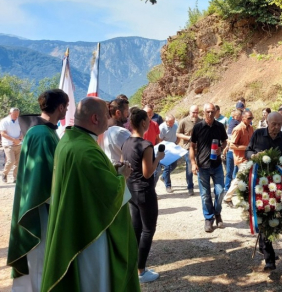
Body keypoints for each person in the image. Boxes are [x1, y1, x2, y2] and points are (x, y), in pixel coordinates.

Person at [41, 97, 140, 291]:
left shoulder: (70, 139)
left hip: (76, 221)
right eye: (106, 115)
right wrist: (122, 177)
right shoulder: (86, 150)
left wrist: (110, 170)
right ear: (95, 118)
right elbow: (108, 193)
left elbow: (86, 178)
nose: (109, 119)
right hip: (90, 232)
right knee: (95, 281)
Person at [7, 89, 68, 292]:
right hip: (40, 207)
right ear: (60, 107)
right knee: (40, 259)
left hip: (34, 201)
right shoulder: (43, 135)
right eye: (66, 107)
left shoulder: (36, 130)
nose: (66, 110)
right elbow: (47, 179)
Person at [122, 108, 165, 283]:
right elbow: (148, 173)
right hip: (144, 191)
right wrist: (159, 157)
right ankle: (141, 271)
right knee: (148, 230)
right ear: (143, 123)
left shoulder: (126, 142)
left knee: (136, 229)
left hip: (130, 189)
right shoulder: (146, 145)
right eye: (148, 120)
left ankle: (132, 267)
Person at [246, 112, 282, 272]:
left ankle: (265, 248)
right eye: (274, 124)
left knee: (273, 214)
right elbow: (248, 152)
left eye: (279, 125)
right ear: (267, 122)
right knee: (264, 214)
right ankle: (269, 258)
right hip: (259, 183)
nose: (277, 128)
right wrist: (255, 156)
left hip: (277, 185)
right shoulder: (258, 134)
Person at [190, 103, 228, 232]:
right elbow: (192, 146)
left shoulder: (219, 126)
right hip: (202, 166)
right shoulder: (198, 127)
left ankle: (217, 213)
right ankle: (208, 218)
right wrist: (193, 163)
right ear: (204, 112)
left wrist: (221, 149)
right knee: (205, 195)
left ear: (215, 112)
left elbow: (225, 141)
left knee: (220, 191)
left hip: (216, 165)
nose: (210, 114)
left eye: (212, 111)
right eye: (208, 112)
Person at [223, 110, 254, 207]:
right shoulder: (238, 129)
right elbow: (232, 145)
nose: (250, 120)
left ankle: (246, 199)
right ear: (243, 118)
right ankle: (227, 197)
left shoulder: (251, 128)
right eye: (249, 118)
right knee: (239, 178)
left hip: (249, 157)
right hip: (241, 158)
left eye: (251, 118)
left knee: (247, 178)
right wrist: (246, 147)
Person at [176, 105, 201, 195]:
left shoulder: (201, 121)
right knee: (190, 168)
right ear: (189, 112)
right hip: (188, 148)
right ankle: (190, 187)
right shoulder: (183, 121)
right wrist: (188, 137)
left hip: (200, 148)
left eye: (197, 112)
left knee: (200, 167)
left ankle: (202, 186)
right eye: (193, 112)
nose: (195, 114)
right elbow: (178, 134)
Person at [100, 97, 131, 162]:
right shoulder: (121, 132)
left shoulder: (102, 130)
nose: (128, 115)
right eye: (126, 111)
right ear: (118, 113)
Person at [0, 107, 23, 183]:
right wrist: (14, 140)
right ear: (10, 113)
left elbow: (22, 131)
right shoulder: (4, 121)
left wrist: (19, 139)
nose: (16, 116)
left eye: (17, 114)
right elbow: (3, 133)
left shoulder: (19, 121)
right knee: (11, 161)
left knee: (18, 162)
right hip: (8, 144)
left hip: (19, 144)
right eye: (15, 114)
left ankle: (15, 178)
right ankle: (4, 173)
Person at [158, 114, 178, 192]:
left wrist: (176, 143)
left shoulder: (176, 124)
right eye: (170, 122)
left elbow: (178, 135)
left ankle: (163, 177)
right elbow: (159, 139)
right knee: (167, 166)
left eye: (173, 122)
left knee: (174, 165)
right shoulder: (162, 127)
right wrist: (164, 147)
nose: (172, 124)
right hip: (165, 148)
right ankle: (168, 186)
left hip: (174, 147)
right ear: (166, 122)